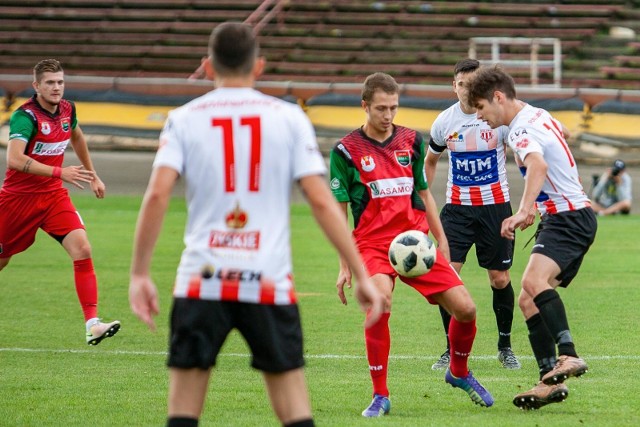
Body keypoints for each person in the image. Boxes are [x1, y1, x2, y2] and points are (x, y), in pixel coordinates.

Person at [128, 22, 383, 427]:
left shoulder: (183, 118)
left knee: (182, 413)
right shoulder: (288, 117)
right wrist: (361, 272)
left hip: (201, 279)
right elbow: (320, 199)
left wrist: (140, 273)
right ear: (259, 66)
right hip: (267, 281)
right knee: (295, 412)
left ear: (208, 66)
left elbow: (157, 195)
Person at [330, 72, 494, 417]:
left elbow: (424, 195)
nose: (388, 115)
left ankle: (459, 372)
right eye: (380, 109)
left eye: (393, 107)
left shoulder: (410, 140)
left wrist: (443, 241)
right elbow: (338, 210)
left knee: (466, 309)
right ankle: (380, 395)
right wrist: (345, 264)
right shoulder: (346, 151)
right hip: (372, 245)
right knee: (380, 302)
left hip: (415, 243)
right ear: (365, 106)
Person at [467, 65, 597, 410]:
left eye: (481, 107)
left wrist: (525, 210)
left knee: (532, 280)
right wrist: (541, 203)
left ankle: (568, 355)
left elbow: (537, 166)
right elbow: (564, 133)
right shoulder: (538, 115)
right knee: (528, 299)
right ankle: (547, 383)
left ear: (498, 97)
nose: (480, 117)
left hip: (568, 218)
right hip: (568, 216)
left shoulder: (519, 130)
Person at [0, 59, 120, 346]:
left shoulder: (68, 109)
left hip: (53, 197)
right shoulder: (25, 117)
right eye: (50, 83)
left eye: (60, 82)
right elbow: (14, 159)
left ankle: (93, 324)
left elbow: (77, 135)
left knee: (82, 248)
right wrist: (60, 171)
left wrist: (92, 175)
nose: (56, 87)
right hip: (18, 201)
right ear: (37, 86)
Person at [426, 58, 520, 371]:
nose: (466, 90)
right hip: (457, 211)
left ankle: (505, 346)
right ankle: (451, 349)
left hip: (495, 209)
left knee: (499, 278)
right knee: (447, 277)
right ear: (453, 86)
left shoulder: (497, 119)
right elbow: (430, 160)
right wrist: (426, 197)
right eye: (461, 84)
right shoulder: (444, 122)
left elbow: (521, 155)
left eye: (472, 84)